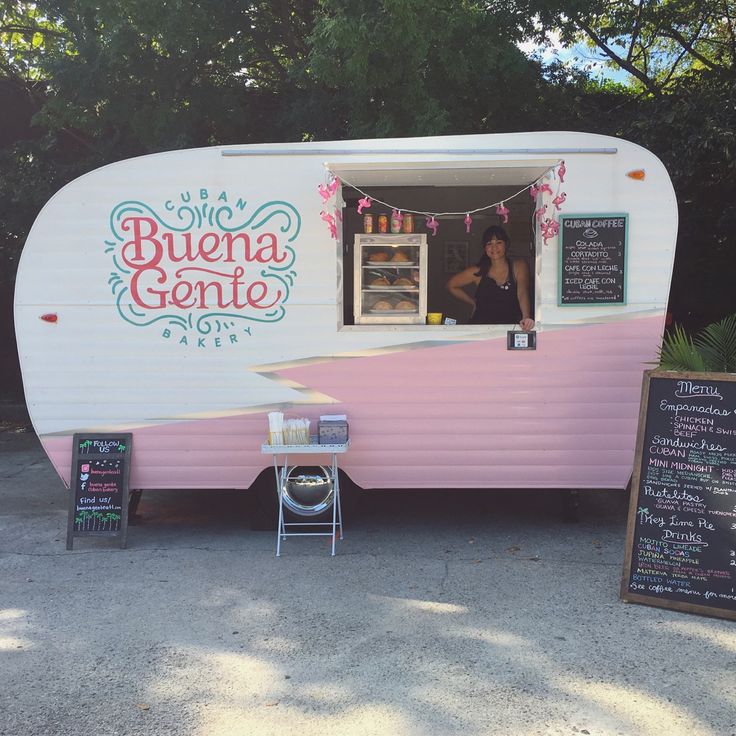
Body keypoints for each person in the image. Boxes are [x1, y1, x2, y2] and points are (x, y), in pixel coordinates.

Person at [446, 225, 534, 330]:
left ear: (506, 244)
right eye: (489, 244)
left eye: (499, 242)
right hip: (479, 330)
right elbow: (451, 285)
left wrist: (526, 317)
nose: (494, 247)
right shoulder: (478, 271)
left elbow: (522, 292)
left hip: (509, 329)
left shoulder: (519, 266)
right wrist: (472, 303)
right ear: (484, 248)